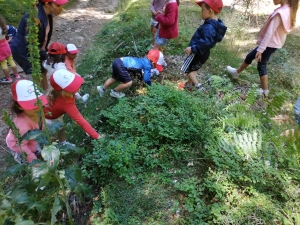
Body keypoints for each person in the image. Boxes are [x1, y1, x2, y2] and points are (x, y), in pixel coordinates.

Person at [226, 0, 299, 97]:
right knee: (250, 56)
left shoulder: (280, 13)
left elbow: (269, 33)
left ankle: (265, 91)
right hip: (273, 44)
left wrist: (261, 50)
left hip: (269, 44)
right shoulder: (288, 10)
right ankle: (236, 72)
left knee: (261, 65)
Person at [9, 0, 68, 91]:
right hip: (23, 51)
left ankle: (46, 95)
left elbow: (43, 39)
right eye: (58, 5)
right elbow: (30, 44)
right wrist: (46, 56)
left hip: (36, 49)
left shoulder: (48, 15)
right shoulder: (34, 19)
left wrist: (46, 53)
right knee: (37, 75)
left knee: (43, 71)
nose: (61, 9)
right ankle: (38, 98)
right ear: (48, 4)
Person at [44, 69, 101, 142]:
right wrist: (97, 136)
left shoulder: (60, 93)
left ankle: (63, 143)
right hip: (48, 120)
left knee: (61, 127)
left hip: (52, 114)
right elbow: (81, 121)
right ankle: (59, 148)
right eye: (73, 87)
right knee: (54, 136)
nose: (78, 89)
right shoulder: (65, 103)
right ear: (64, 91)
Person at [180, 0, 227, 90]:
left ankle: (198, 86)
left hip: (197, 52)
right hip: (204, 53)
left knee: (188, 70)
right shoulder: (215, 25)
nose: (201, 12)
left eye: (202, 10)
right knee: (193, 70)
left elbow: (206, 42)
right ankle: (189, 86)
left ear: (210, 11)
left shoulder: (209, 27)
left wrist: (192, 48)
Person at [6, 79, 48, 163]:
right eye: (32, 105)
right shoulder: (22, 125)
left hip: (32, 141)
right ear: (19, 106)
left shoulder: (38, 113)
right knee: (29, 163)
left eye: (39, 103)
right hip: (19, 147)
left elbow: (41, 126)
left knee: (37, 152)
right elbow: (21, 146)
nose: (38, 107)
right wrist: (33, 161)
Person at [97, 49, 166, 99]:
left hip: (118, 61)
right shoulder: (148, 65)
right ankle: (114, 92)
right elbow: (146, 79)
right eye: (156, 66)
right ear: (153, 62)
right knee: (128, 82)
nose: (155, 68)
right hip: (122, 65)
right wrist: (151, 85)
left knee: (114, 79)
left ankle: (102, 89)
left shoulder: (144, 60)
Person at [0, 16, 20, 83]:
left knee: (3, 64)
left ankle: (8, 78)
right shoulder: (2, 26)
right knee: (11, 61)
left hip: (0, 48)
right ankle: (17, 75)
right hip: (6, 45)